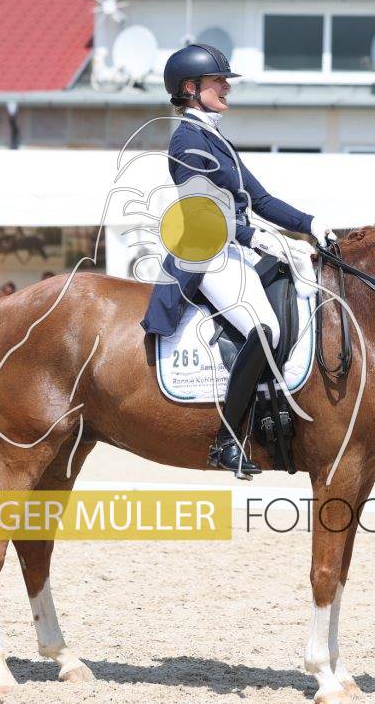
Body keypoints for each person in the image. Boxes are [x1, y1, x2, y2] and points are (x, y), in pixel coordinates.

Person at [140, 43, 336, 478]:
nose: (227, 87)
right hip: (207, 253)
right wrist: (253, 236)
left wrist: (311, 224)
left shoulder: (215, 139)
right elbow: (200, 212)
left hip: (233, 249)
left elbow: (260, 200)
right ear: (191, 89)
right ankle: (227, 440)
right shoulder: (187, 141)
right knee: (264, 329)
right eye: (218, 81)